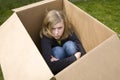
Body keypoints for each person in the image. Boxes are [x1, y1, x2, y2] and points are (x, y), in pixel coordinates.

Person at [39, 10, 86, 74]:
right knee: (58, 51)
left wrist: (59, 63)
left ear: (64, 25)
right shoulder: (45, 38)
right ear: (47, 27)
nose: (56, 32)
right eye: (53, 28)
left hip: (64, 61)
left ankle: (74, 68)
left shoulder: (68, 30)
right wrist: (74, 58)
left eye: (60, 28)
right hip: (65, 62)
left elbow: (80, 48)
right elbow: (50, 66)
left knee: (70, 45)